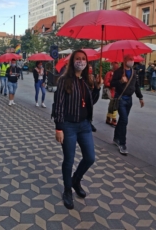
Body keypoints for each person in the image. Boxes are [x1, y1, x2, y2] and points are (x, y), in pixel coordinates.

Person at [53, 50, 102, 210]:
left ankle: (76, 180)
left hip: (85, 125)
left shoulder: (87, 80)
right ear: (72, 61)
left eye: (83, 59)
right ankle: (67, 190)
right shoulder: (63, 80)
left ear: (87, 62)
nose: (80, 61)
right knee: (69, 159)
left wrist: (97, 88)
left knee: (90, 157)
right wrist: (59, 127)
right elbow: (58, 105)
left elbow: (90, 102)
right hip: (68, 126)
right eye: (77, 59)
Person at [111, 54, 144, 155]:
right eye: (130, 59)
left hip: (129, 100)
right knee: (124, 120)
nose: (132, 61)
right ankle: (122, 143)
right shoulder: (118, 72)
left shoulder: (134, 72)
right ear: (124, 60)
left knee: (122, 120)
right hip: (120, 99)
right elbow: (112, 83)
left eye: (132, 59)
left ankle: (116, 138)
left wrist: (140, 97)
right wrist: (121, 81)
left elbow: (136, 85)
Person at [104, 61, 119, 127]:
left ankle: (108, 118)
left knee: (112, 105)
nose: (116, 67)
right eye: (114, 65)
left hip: (117, 91)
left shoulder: (119, 73)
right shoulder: (109, 73)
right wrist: (112, 85)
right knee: (114, 105)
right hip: (111, 91)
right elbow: (106, 82)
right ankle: (113, 119)